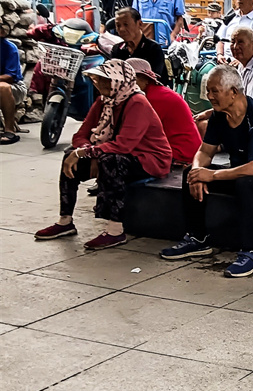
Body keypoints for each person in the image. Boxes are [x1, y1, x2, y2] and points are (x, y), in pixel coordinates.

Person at [159, 65, 253, 277]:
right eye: (208, 91)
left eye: (215, 91)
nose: (209, 96)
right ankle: (198, 239)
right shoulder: (219, 117)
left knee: (246, 184)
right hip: (245, 174)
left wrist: (213, 175)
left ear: (233, 92)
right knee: (191, 173)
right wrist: (198, 172)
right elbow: (204, 152)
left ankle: (252, 252)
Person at [34, 60, 172, 249]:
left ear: (118, 81)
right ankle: (65, 221)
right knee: (70, 155)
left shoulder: (137, 102)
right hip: (112, 152)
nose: (98, 85)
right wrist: (83, 153)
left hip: (149, 159)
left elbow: (124, 144)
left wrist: (88, 153)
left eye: (104, 81)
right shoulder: (104, 101)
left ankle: (115, 230)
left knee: (111, 160)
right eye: (97, 80)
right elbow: (81, 135)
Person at [125, 58, 201, 166]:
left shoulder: (152, 98)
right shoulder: (154, 93)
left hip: (181, 154)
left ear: (144, 79)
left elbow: (136, 132)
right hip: (184, 150)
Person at [109, 7, 169, 85]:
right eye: (118, 25)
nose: (122, 29)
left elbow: (154, 79)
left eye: (126, 24)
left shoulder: (153, 49)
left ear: (140, 24)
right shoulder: (117, 49)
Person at [0, 23, 27, 145]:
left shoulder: (9, 48)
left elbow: (9, 77)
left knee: (2, 87)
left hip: (15, 87)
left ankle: (9, 130)